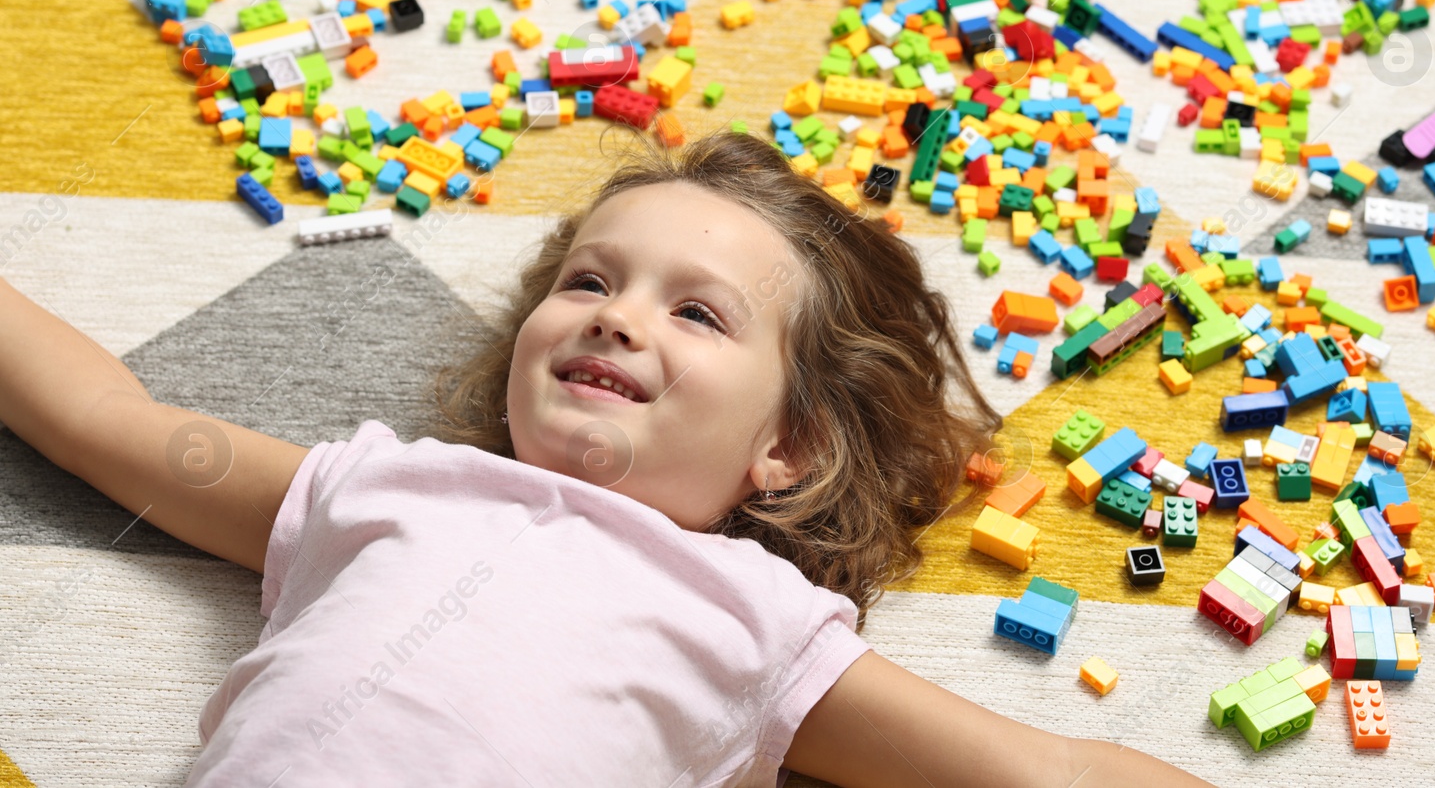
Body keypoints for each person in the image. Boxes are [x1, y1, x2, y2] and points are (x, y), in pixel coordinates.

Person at [0, 131, 1212, 787]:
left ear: (785, 445)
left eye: (698, 313)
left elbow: (1042, 767)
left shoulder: (748, 614)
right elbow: (112, 421)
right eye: (591, 278)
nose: (617, 314)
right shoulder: (391, 483)